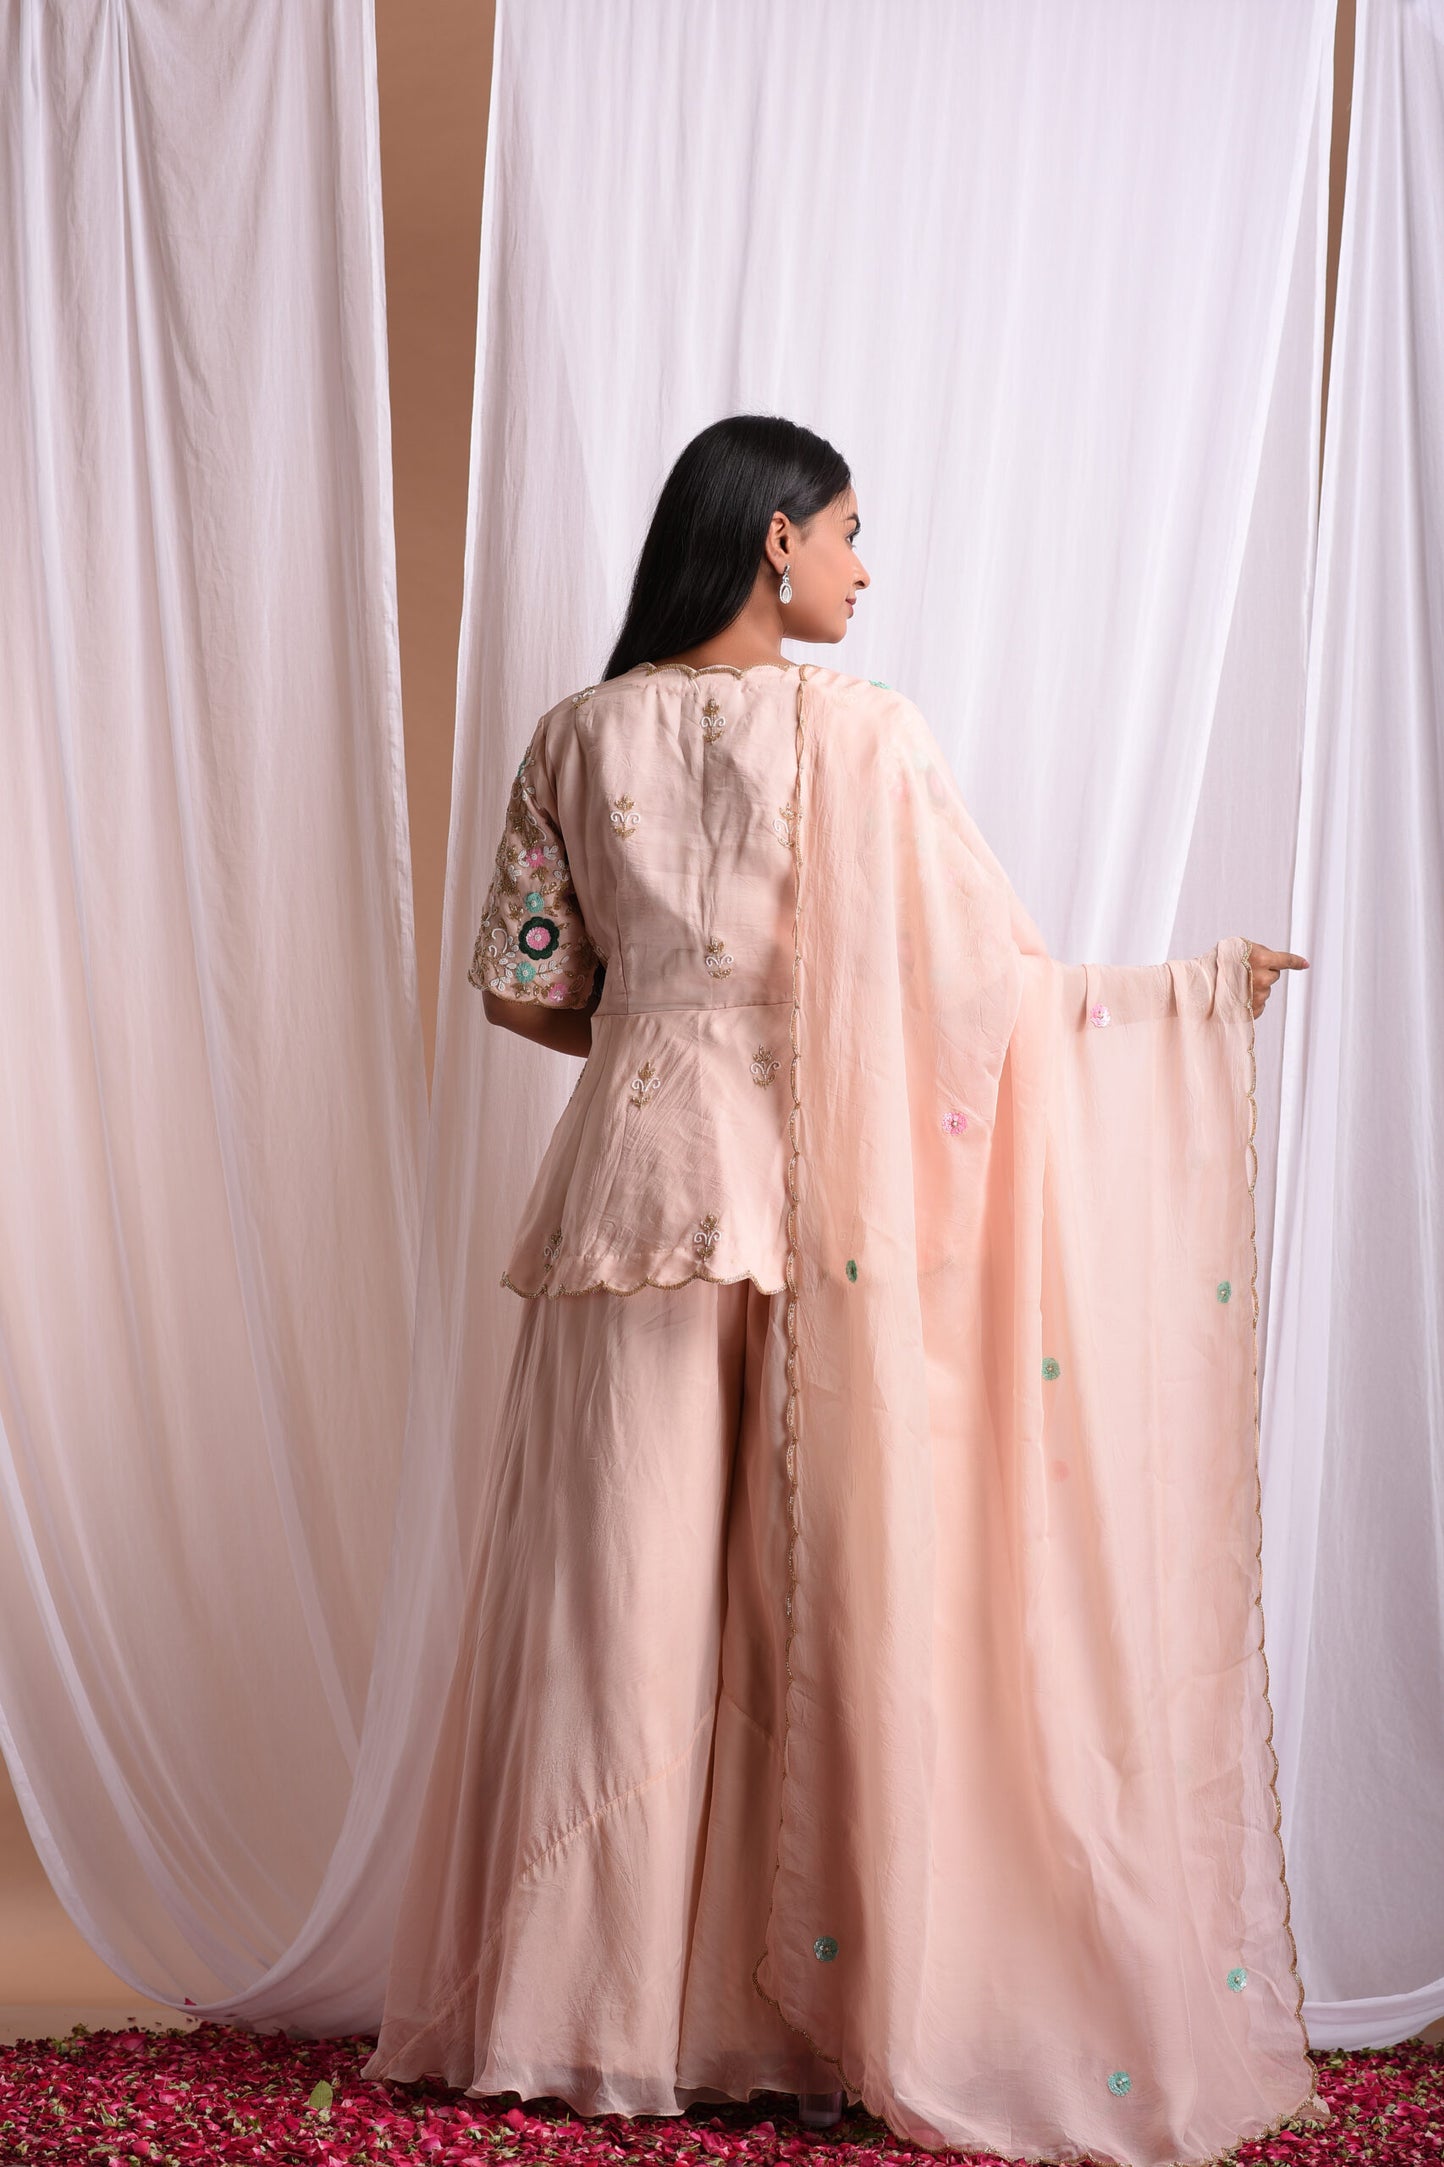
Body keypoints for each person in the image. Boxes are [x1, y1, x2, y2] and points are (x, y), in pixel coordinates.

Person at [362, 416, 1324, 2165]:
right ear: (776, 537)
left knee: (615, 1600)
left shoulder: (574, 733)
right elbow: (983, 996)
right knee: (812, 1594)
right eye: (852, 533)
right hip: (820, 1197)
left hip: (624, 1197)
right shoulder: (862, 736)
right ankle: (792, 2011)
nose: (865, 571)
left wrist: (660, 1037)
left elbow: (521, 990)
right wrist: (1180, 997)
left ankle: (592, 2010)